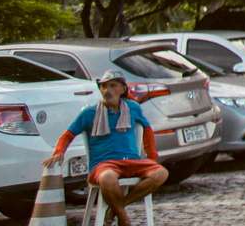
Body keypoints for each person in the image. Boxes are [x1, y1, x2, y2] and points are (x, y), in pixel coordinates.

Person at [43, 70, 168, 226]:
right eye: (103, 87)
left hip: (132, 161)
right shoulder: (90, 112)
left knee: (161, 173)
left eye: (112, 86)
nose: (107, 91)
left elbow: (147, 129)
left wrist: (152, 156)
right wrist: (59, 152)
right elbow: (68, 134)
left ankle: (116, 209)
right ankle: (124, 219)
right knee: (107, 178)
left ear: (122, 89)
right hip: (103, 164)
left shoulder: (132, 108)